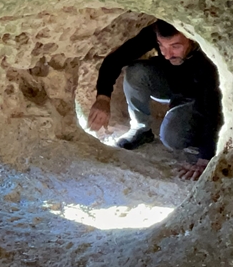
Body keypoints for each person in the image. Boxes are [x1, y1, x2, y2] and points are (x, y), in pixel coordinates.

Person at [86, 20, 222, 180]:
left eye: (175, 46)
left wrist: (206, 156)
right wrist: (103, 97)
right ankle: (141, 130)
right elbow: (116, 59)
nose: (167, 54)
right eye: (161, 46)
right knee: (136, 72)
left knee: (172, 138)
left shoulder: (208, 55)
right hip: (172, 83)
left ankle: (199, 134)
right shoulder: (156, 32)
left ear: (191, 38)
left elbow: (213, 106)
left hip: (200, 97)